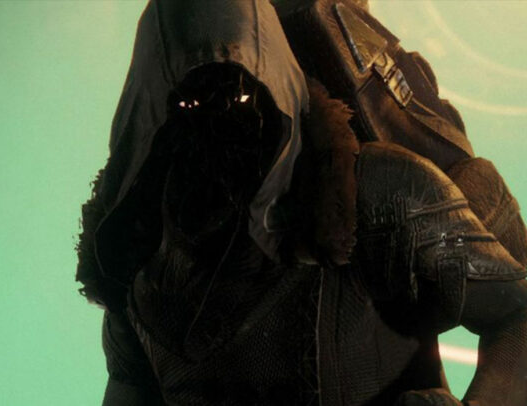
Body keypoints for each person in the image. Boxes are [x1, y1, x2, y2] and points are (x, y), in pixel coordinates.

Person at [75, 1, 527, 405]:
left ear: (278, 90)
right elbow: (129, 386)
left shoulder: (378, 192)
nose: (216, 119)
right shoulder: (138, 253)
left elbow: (518, 316)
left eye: (237, 95)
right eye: (190, 102)